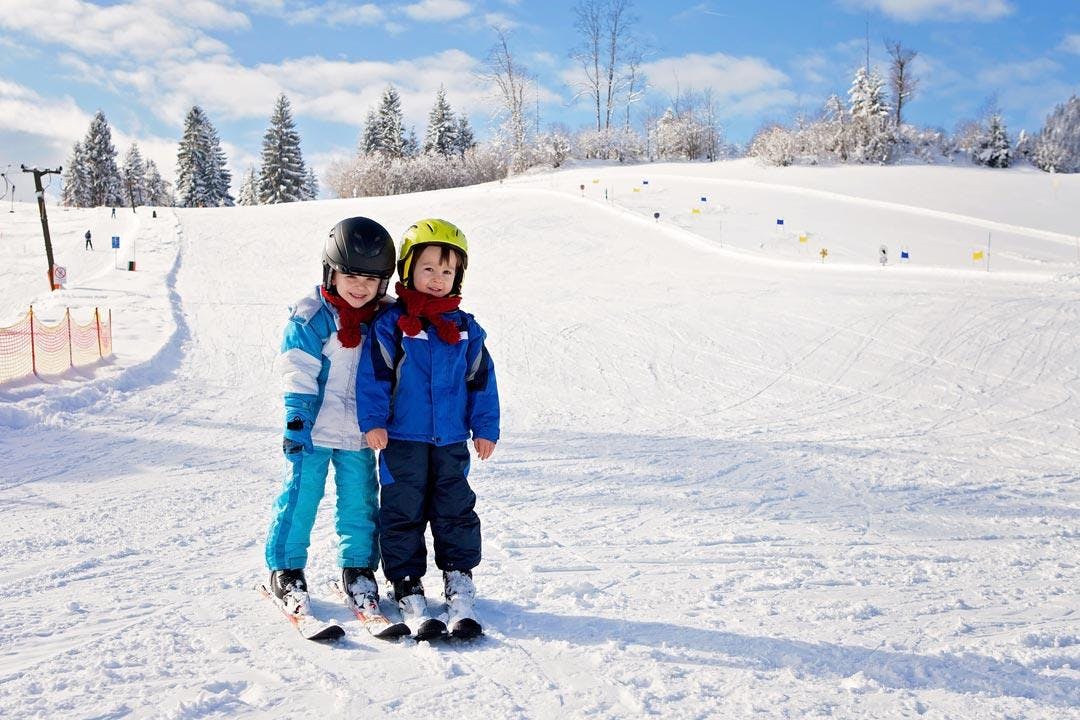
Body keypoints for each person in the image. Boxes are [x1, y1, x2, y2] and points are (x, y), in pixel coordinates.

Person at [358, 218, 500, 640]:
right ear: (408, 271)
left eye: (447, 271)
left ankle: (459, 578)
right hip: (403, 439)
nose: (438, 279)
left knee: (455, 508)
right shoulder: (393, 326)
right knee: (402, 511)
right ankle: (406, 583)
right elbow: (375, 377)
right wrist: (374, 422)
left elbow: (481, 381)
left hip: (451, 441)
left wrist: (485, 427)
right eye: (428, 268)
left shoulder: (465, 328)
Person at [264, 216, 396, 616]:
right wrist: (297, 423)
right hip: (315, 432)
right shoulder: (312, 317)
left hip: (359, 433)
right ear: (331, 272)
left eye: (370, 279)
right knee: (301, 498)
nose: (360, 286)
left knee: (360, 503)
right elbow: (298, 371)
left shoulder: (384, 318)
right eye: (350, 275)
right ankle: (286, 569)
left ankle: (358, 569)